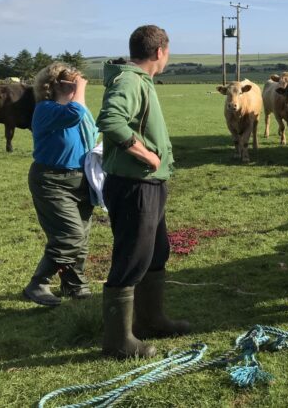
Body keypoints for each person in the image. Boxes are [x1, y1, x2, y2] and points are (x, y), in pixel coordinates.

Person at [96, 25, 190, 359]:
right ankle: (118, 341)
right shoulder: (130, 81)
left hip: (149, 184)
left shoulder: (140, 80)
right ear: (160, 52)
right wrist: (148, 154)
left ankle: (151, 319)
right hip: (134, 185)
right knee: (132, 256)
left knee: (155, 252)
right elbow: (110, 120)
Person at [23, 64, 98, 306]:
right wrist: (81, 90)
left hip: (81, 178)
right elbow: (74, 113)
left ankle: (74, 285)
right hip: (51, 180)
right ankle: (38, 283)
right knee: (70, 235)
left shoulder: (78, 109)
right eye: (72, 82)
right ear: (54, 84)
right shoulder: (45, 109)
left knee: (81, 237)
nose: (77, 86)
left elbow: (91, 129)